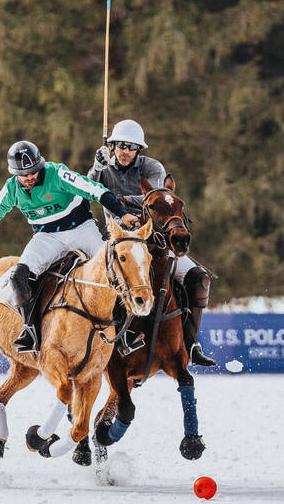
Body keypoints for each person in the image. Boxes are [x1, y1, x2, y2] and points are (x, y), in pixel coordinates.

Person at [0, 140, 140, 353]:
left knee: (112, 268)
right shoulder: (11, 189)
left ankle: (126, 332)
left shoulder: (57, 173)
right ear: (14, 174)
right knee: (18, 276)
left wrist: (122, 214)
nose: (30, 177)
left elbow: (95, 190)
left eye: (33, 171)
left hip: (81, 229)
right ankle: (31, 331)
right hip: (46, 236)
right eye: (24, 175)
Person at [87, 119, 215, 366]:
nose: (126, 151)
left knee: (199, 279)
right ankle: (105, 340)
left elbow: (157, 197)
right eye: (121, 145)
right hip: (118, 243)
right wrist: (95, 168)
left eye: (132, 147)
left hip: (154, 243)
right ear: (112, 146)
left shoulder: (152, 167)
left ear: (138, 150)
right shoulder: (103, 169)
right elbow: (88, 189)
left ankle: (192, 344)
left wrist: (115, 199)